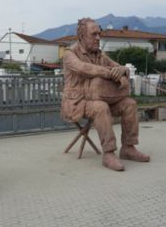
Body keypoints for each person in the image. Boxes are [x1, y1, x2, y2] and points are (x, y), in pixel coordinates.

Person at [61, 18, 150, 171]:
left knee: (130, 104)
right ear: (82, 36)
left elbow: (120, 67)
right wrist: (109, 73)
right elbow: (83, 68)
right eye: (93, 34)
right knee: (100, 107)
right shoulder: (70, 54)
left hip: (98, 98)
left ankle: (128, 148)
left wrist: (122, 70)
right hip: (77, 103)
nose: (98, 38)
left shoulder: (100, 56)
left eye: (99, 34)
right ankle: (108, 153)